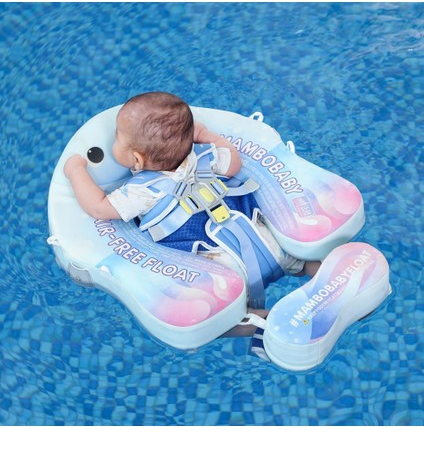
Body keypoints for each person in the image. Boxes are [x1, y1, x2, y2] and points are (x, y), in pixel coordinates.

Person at [64, 92, 320, 335]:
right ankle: (322, 279)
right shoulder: (206, 156)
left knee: (218, 320)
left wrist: (76, 170)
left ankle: (263, 322)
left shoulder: (141, 192)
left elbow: (98, 207)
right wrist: (205, 135)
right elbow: (234, 162)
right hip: (263, 240)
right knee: (298, 262)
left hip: (220, 265)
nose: (113, 141)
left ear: (137, 160)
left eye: (117, 137)